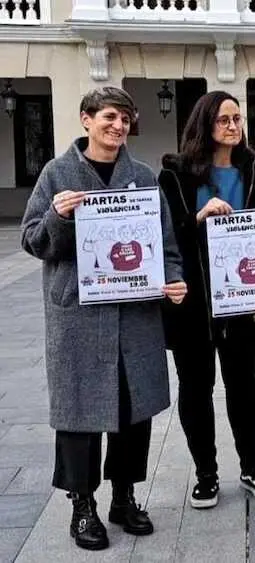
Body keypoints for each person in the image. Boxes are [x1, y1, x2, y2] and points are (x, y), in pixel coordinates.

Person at [20, 87, 187, 551]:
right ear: (86, 120)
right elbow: (32, 240)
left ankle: (124, 496)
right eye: (110, 117)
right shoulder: (57, 174)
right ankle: (82, 505)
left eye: (126, 119)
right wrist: (56, 215)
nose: (118, 126)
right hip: (78, 315)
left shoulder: (143, 177)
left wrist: (173, 281)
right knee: (80, 412)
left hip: (135, 314)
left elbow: (166, 245)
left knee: (133, 409)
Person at [158, 91, 255, 508]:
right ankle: (206, 473)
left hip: (244, 300)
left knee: (244, 386)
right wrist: (198, 217)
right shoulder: (175, 174)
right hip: (192, 302)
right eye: (224, 119)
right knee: (195, 389)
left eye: (237, 119)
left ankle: (252, 466)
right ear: (204, 124)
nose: (233, 126)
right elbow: (167, 239)